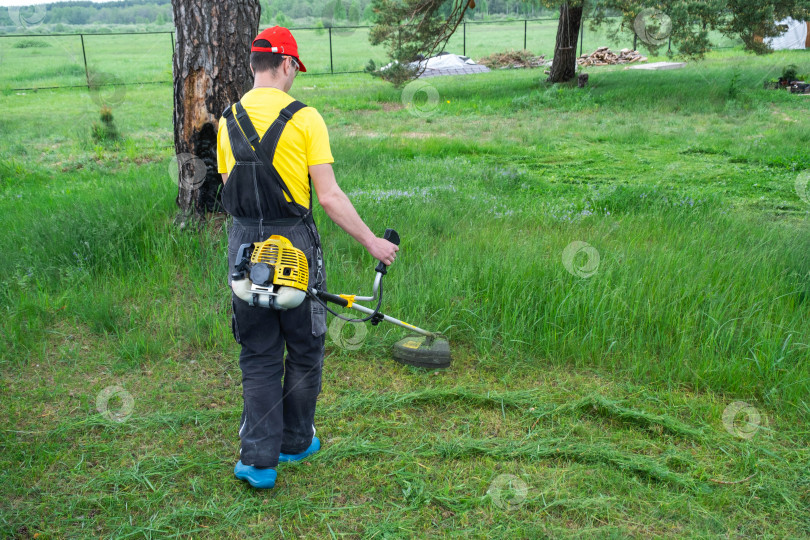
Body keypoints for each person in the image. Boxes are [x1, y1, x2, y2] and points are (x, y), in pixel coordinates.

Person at [216, 26, 398, 489]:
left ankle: (258, 460)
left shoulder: (227, 119)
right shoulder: (306, 118)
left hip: (244, 245)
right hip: (295, 245)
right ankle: (296, 440)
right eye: (295, 67)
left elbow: (228, 187)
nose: (295, 75)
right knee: (304, 345)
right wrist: (373, 243)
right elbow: (330, 196)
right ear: (286, 65)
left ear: (254, 65)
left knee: (258, 353)